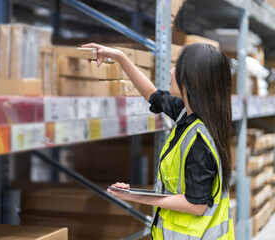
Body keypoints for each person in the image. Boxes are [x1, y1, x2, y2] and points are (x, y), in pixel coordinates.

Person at [81, 40, 235, 239]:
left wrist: (135, 196)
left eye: (178, 68)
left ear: (193, 79)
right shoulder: (187, 113)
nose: (171, 71)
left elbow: (197, 205)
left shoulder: (199, 140)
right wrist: (119, 57)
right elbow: (152, 95)